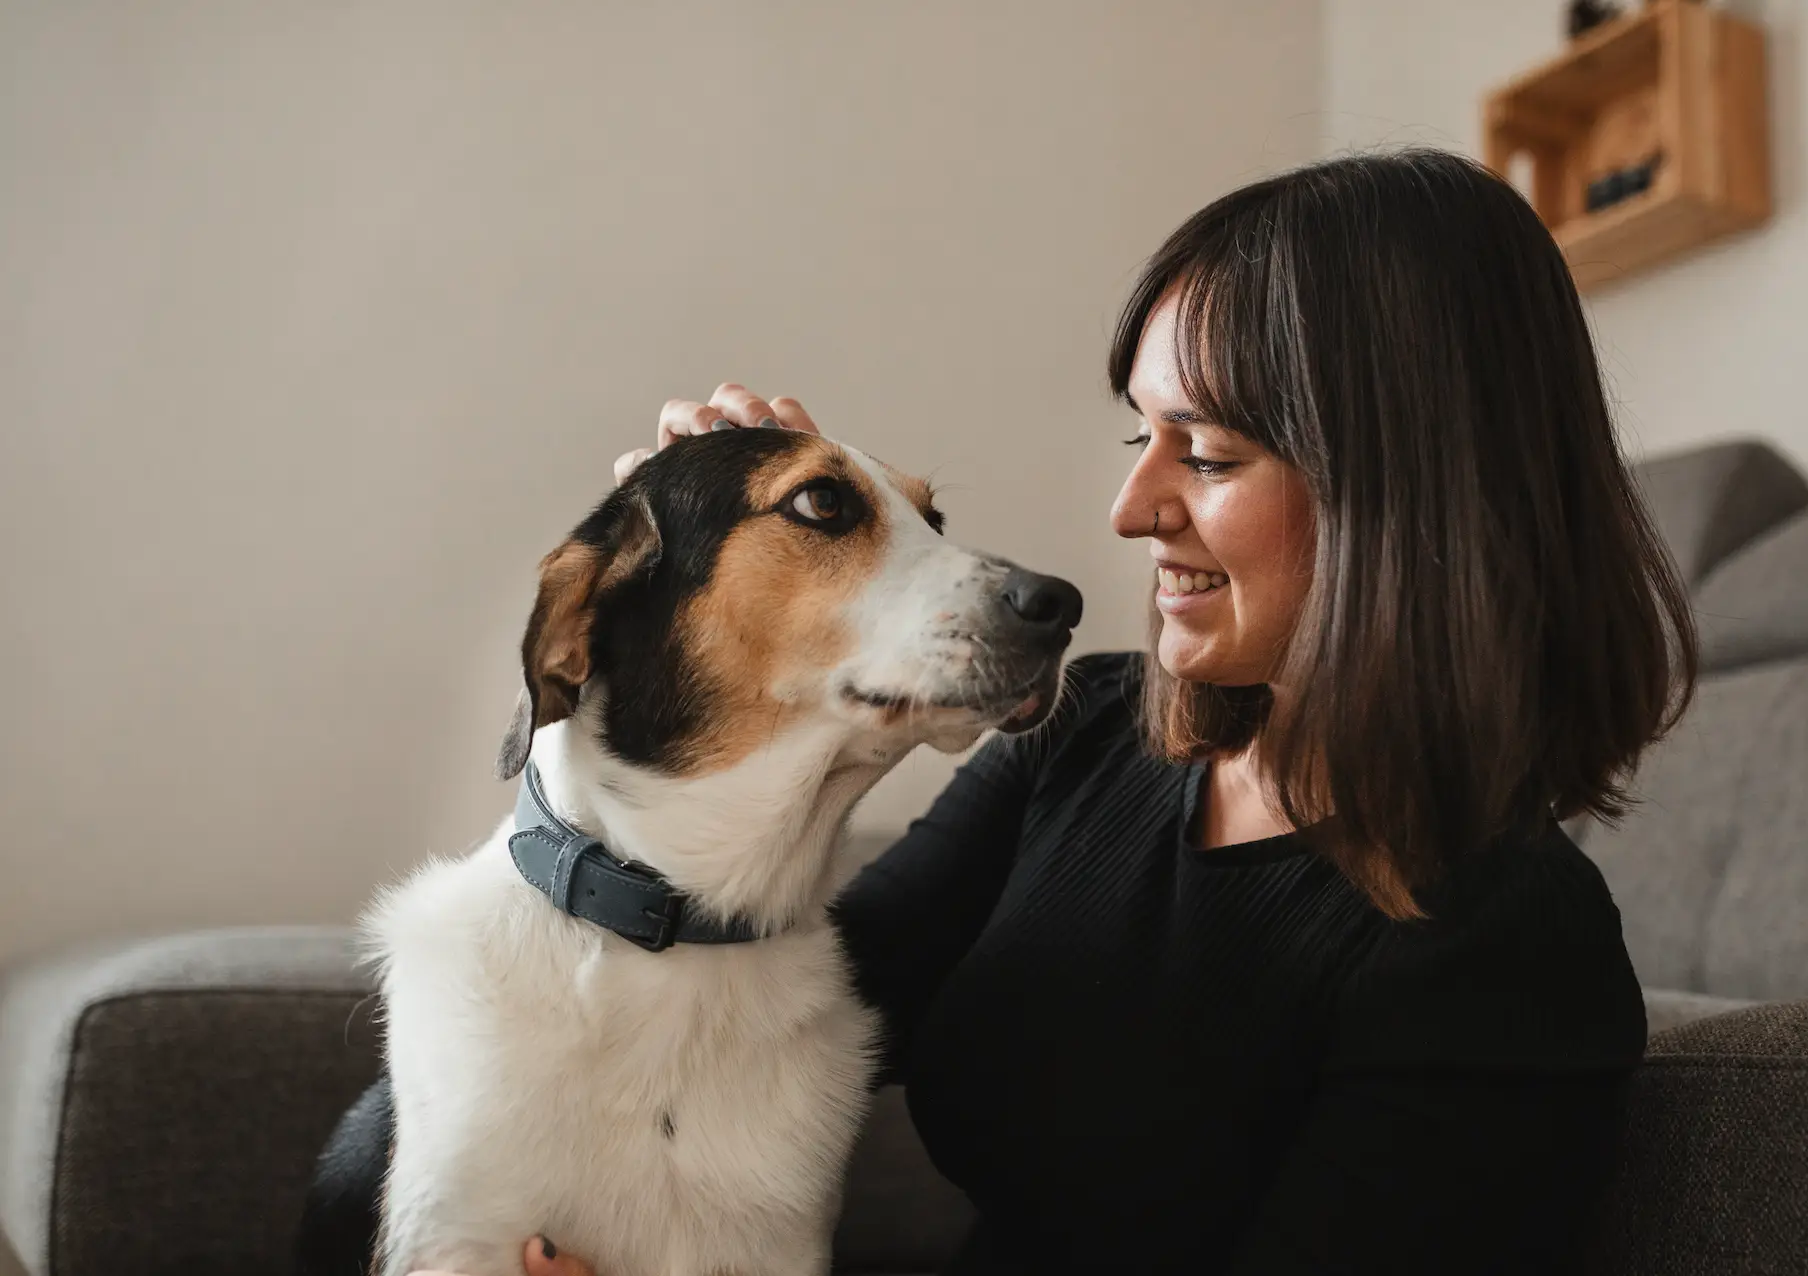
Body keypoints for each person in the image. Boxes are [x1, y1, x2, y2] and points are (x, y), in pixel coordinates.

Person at [441, 148, 1695, 1276]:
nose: (1130, 507)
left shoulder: (1508, 955)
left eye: (1204, 453)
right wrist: (736, 556)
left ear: (1403, 489)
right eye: (1141, 435)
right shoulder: (1096, 728)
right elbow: (792, 1005)